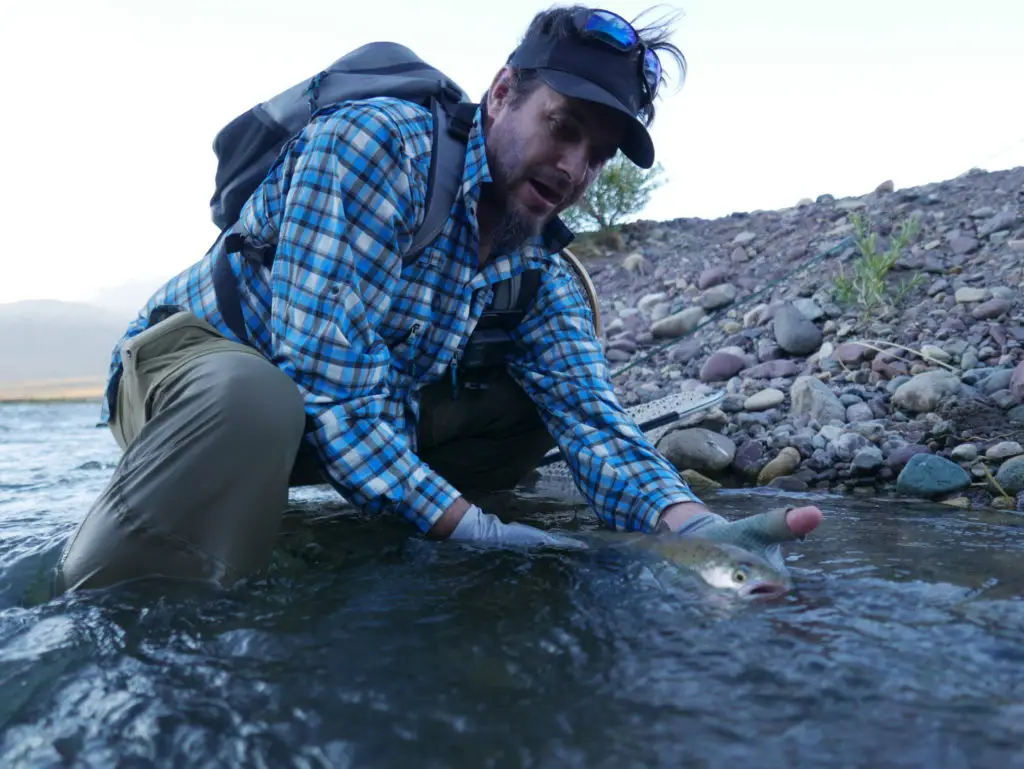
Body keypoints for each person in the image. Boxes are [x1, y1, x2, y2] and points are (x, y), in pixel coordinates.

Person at [53, 4, 823, 594]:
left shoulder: (538, 267)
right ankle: (117, 610)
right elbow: (329, 388)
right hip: (189, 377)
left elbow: (596, 423)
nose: (575, 167)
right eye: (563, 126)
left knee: (536, 406)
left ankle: (392, 544)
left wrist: (702, 532)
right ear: (500, 95)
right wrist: (475, 530)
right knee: (257, 399)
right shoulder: (374, 147)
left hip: (320, 418)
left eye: (598, 154)